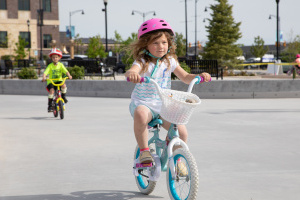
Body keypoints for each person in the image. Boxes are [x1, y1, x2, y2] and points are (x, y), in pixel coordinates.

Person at [125, 18, 211, 165]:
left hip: (163, 104)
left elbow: (185, 77)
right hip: (144, 103)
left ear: (169, 44)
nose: (161, 46)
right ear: (146, 45)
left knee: (181, 132)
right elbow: (132, 71)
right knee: (140, 114)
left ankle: (178, 161)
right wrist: (132, 74)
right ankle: (144, 150)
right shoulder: (142, 61)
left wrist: (198, 76)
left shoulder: (170, 61)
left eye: (164, 42)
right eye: (155, 43)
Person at [42, 48, 72, 112]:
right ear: (51, 58)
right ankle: (50, 106)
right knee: (52, 91)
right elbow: (45, 73)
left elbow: (66, 71)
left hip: (59, 80)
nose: (55, 58)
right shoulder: (50, 66)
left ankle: (63, 97)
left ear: (59, 58)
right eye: (53, 57)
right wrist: (44, 78)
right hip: (51, 81)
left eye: (56, 57)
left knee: (63, 85)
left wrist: (69, 76)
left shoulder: (61, 65)